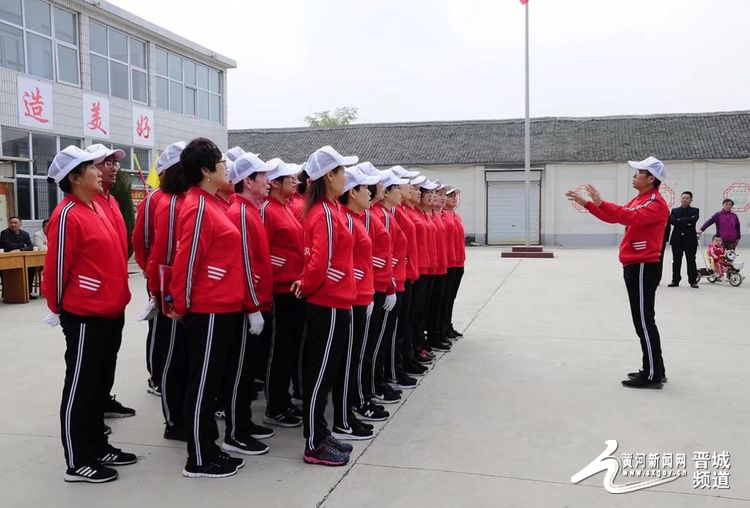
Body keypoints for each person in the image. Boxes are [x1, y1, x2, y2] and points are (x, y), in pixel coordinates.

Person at [43, 145, 135, 483]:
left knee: (98, 385)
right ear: (74, 177)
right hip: (84, 314)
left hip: (108, 311)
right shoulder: (67, 214)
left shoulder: (95, 207)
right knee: (80, 386)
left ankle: (98, 444)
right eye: (91, 168)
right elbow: (55, 269)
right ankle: (78, 459)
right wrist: (58, 307)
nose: (100, 171)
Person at [166, 137, 246, 478]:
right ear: (205, 170)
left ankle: (209, 446)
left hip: (223, 304)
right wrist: (180, 303)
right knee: (202, 382)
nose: (227, 168)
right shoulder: (197, 207)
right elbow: (187, 259)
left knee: (211, 381)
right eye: (221, 163)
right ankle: (198, 457)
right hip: (208, 307)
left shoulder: (213, 203)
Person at [566, 156, 669, 389]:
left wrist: (601, 202)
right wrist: (589, 204)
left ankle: (653, 375)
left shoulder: (656, 203)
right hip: (634, 265)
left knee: (644, 321)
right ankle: (654, 368)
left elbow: (628, 216)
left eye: (638, 172)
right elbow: (616, 216)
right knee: (641, 320)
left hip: (643, 265)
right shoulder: (641, 199)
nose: (634, 175)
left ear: (651, 178)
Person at [291, 145, 357, 466]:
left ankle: (322, 432)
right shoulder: (325, 214)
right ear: (329, 175)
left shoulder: (330, 209)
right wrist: (310, 285)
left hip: (335, 300)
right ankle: (314, 442)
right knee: (319, 373)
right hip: (328, 303)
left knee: (326, 371)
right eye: (342, 171)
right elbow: (319, 261)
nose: (346, 176)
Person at [223, 152, 275, 456]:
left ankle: (243, 422)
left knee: (248, 368)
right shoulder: (240, 213)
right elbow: (243, 265)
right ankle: (235, 431)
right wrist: (253, 307)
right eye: (262, 176)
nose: (267, 182)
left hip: (258, 302)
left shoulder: (251, 210)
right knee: (239, 371)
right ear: (248, 181)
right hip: (246, 306)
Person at [143, 142, 191, 442]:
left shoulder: (186, 200)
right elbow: (156, 250)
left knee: (184, 357)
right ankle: (174, 420)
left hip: (186, 291)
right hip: (173, 291)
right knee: (174, 356)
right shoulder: (169, 203)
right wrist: (162, 293)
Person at [84, 144, 135, 419]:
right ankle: (93, 407)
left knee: (109, 354)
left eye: (115, 163)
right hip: (95, 300)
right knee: (94, 361)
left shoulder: (111, 201)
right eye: (106, 163)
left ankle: (103, 398)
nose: (114, 168)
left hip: (116, 294)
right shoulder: (85, 206)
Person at [333, 165, 380, 441]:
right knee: (348, 360)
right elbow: (346, 263)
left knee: (355, 357)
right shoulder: (348, 219)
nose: (370, 193)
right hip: (352, 298)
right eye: (365, 188)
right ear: (353, 192)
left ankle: (348, 412)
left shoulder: (356, 218)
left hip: (361, 296)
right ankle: (343, 417)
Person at [259, 159, 306, 427]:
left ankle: (284, 400)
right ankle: (275, 405)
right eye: (288, 178)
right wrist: (279, 267)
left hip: (293, 288)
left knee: (290, 348)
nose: (294, 181)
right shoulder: (268, 210)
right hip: (279, 289)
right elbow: (261, 251)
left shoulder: (286, 207)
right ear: (274, 182)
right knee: (279, 350)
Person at [132, 143, 175, 396]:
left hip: (175, 279)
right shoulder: (154, 199)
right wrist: (151, 271)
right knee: (160, 330)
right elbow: (142, 240)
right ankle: (156, 376)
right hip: (159, 277)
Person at [444, 187, 465, 338]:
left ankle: (447, 324)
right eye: (450, 196)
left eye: (454, 196)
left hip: (458, 262)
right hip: (448, 263)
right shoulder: (443, 215)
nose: (453, 198)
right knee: (444, 298)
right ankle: (441, 328)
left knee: (451, 297)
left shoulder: (456, 216)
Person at [667, 191, 700, 288]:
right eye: (683, 198)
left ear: (691, 200)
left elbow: (693, 220)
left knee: (691, 260)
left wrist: (679, 220)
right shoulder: (674, 210)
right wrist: (687, 221)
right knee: (676, 261)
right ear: (680, 199)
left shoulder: (695, 210)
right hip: (677, 239)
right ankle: (675, 280)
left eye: (687, 198)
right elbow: (672, 221)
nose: (685, 200)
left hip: (690, 240)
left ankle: (692, 281)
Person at [1, 216, 36, 298]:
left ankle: (28, 292)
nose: (13, 224)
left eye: (15, 223)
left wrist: (20, 249)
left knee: (31, 268)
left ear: (20, 224)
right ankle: (7, 292)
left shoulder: (25, 234)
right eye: (11, 223)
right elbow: (8, 245)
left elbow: (30, 246)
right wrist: (22, 246)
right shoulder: (4, 233)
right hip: (8, 258)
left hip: (22, 258)